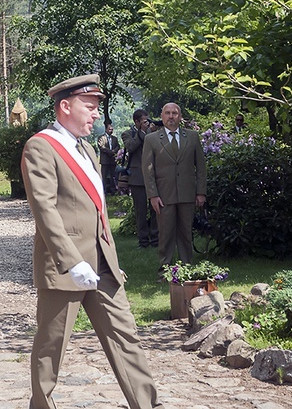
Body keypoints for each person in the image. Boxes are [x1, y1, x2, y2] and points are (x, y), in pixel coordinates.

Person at [21, 74, 164, 409]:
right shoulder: (41, 147)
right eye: (90, 106)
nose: (96, 113)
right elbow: (45, 211)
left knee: (126, 337)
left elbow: (96, 210)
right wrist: (71, 261)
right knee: (50, 347)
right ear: (65, 106)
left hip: (102, 264)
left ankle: (148, 404)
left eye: (97, 106)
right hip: (66, 267)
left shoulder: (86, 148)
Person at [141, 102, 206, 280]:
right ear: (162, 116)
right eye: (167, 113)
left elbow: (200, 167)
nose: (171, 116)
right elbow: (147, 170)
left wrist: (201, 192)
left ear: (180, 116)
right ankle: (165, 271)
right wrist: (152, 195)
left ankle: (187, 269)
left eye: (175, 113)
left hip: (187, 194)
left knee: (186, 233)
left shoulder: (192, 137)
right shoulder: (152, 139)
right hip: (164, 195)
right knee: (166, 234)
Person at [121, 109, 159, 249]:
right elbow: (130, 147)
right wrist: (141, 132)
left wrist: (149, 131)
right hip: (137, 178)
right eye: (143, 121)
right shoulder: (127, 134)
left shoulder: (153, 132)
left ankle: (156, 239)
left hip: (153, 176)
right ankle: (143, 241)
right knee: (140, 211)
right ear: (136, 121)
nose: (146, 123)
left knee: (156, 210)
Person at [96, 120, 120, 194]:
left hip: (113, 160)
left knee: (113, 175)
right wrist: (110, 151)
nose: (111, 131)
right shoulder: (101, 137)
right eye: (110, 129)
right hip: (105, 160)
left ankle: (113, 190)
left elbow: (118, 146)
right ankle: (104, 190)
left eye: (112, 129)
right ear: (106, 129)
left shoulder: (114, 138)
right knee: (104, 176)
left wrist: (114, 151)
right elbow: (101, 147)